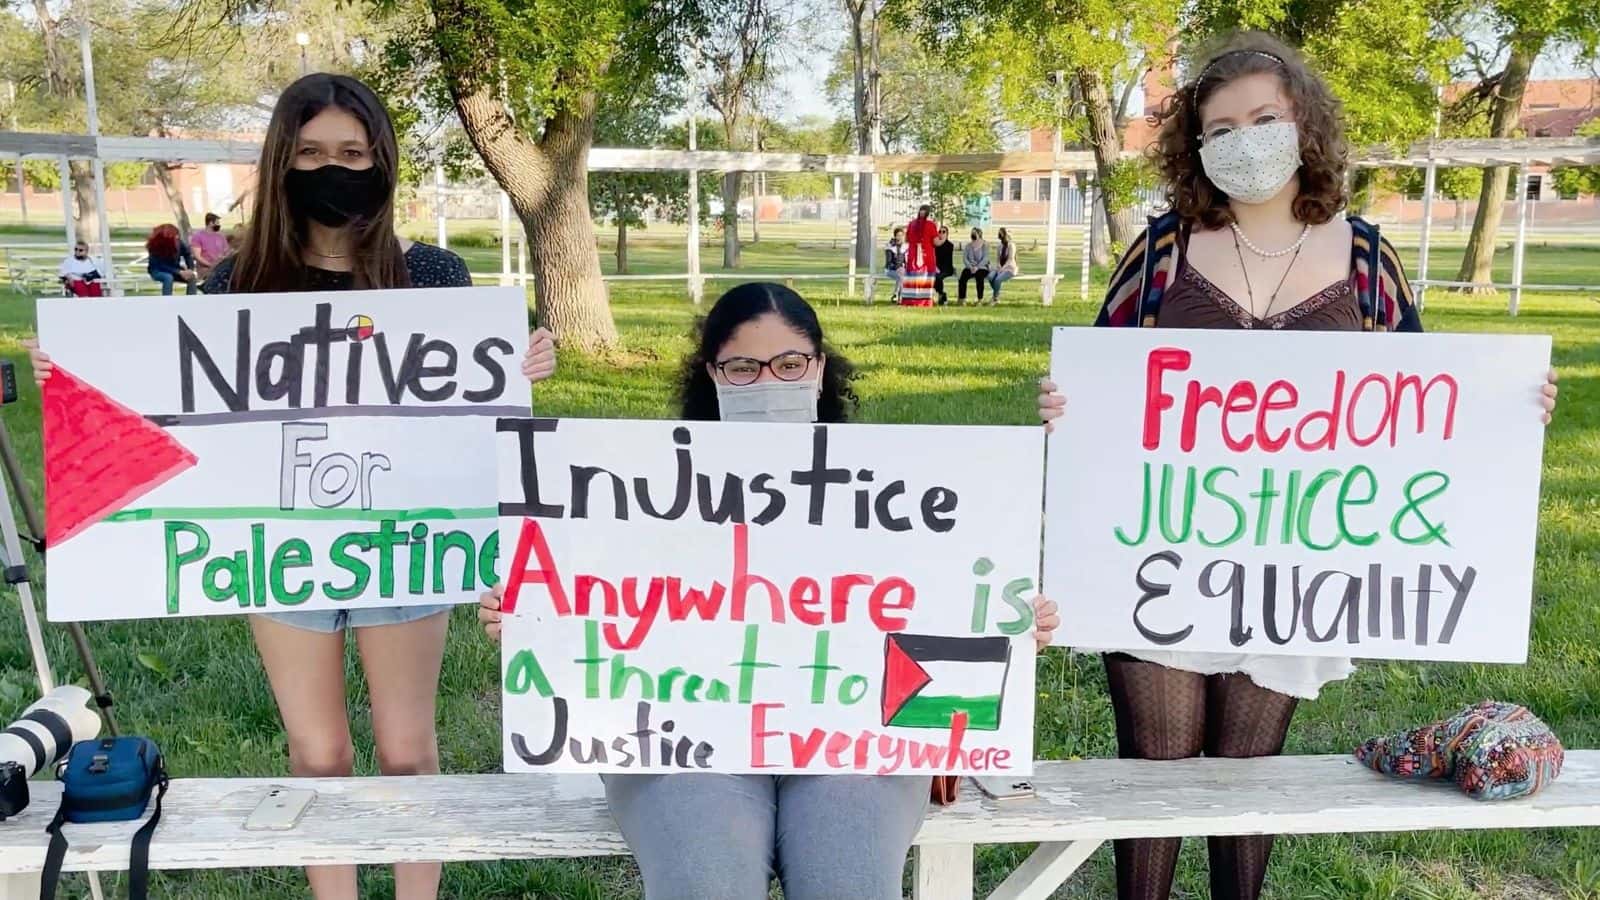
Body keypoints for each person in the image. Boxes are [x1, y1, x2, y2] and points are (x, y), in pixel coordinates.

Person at [1036, 33, 1558, 900]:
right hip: (1160, 560)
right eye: (1222, 126)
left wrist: (1507, 412)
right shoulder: (1161, 255)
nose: (1246, 139)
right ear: (1196, 146)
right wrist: (1066, 409)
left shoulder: (1366, 260)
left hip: (1293, 572)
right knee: (1155, 783)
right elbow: (1100, 389)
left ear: (1303, 124)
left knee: (1249, 788)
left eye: (1264, 118)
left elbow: (1429, 411)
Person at [29, 72, 558, 900]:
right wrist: (79, 373)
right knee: (317, 754)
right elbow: (173, 399)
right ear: (283, 163)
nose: (332, 168)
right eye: (311, 153)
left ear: (381, 161)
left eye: (351, 152)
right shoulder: (233, 284)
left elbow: (475, 407)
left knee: (409, 748)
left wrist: (524, 366)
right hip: (275, 548)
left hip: (407, 541)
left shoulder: (435, 274)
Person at [479, 281, 1061, 900]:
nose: (767, 382)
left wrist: (1007, 628)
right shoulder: (636, 490)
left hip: (853, 741)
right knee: (706, 885)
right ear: (711, 374)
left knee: (850, 884)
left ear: (818, 368)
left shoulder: (902, 487)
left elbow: (947, 619)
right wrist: (530, 617)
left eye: (789, 364)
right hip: (682, 738)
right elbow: (583, 603)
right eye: (742, 367)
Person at [900, 204, 938, 306]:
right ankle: (924, 301)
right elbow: (936, 242)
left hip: (913, 253)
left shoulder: (912, 224)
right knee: (925, 277)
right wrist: (942, 239)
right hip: (926, 255)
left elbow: (907, 239)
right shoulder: (931, 225)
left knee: (913, 276)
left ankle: (910, 300)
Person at [145, 224, 197, 295]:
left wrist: (190, 269)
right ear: (167, 237)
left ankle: (191, 301)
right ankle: (167, 301)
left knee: (192, 277)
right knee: (168, 277)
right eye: (175, 236)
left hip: (175, 270)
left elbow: (187, 254)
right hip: (158, 270)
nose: (177, 238)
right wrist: (179, 272)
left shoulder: (178, 242)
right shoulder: (156, 247)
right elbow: (160, 265)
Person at [191, 212, 229, 279]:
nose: (219, 225)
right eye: (217, 223)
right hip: (206, 270)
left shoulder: (220, 236)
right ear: (211, 223)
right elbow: (197, 256)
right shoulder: (198, 236)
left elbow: (227, 251)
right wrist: (211, 265)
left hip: (221, 268)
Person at [958, 227, 989, 304]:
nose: (972, 235)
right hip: (970, 267)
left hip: (982, 267)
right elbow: (965, 258)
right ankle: (962, 299)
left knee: (979, 277)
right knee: (963, 277)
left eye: (974, 233)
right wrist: (970, 267)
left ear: (979, 234)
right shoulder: (968, 246)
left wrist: (977, 267)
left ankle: (980, 299)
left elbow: (986, 258)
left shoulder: (985, 245)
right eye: (972, 233)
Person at [987, 227, 1018, 303]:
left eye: (1001, 233)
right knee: (990, 277)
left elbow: (1010, 259)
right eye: (999, 233)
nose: (999, 235)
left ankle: (995, 298)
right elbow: (997, 259)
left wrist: (1003, 268)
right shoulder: (999, 246)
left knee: (997, 280)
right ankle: (997, 294)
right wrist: (998, 266)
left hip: (1009, 268)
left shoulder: (1011, 245)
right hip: (1000, 268)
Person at [933, 225, 956, 304]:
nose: (941, 233)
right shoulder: (935, 245)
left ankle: (941, 295)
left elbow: (947, 261)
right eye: (940, 232)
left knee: (938, 277)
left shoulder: (950, 245)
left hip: (947, 269)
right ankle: (942, 294)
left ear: (947, 234)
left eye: (944, 232)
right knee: (931, 277)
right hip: (936, 268)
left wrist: (939, 269)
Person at [883, 226, 906, 301]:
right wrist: (898, 268)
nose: (900, 237)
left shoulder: (905, 247)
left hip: (901, 271)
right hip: (890, 270)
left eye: (901, 235)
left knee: (902, 275)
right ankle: (900, 297)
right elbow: (889, 262)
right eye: (898, 235)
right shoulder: (890, 247)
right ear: (895, 236)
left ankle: (896, 295)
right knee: (901, 276)